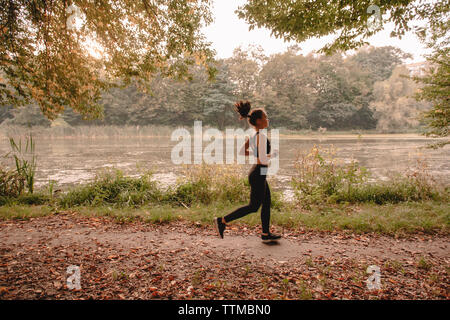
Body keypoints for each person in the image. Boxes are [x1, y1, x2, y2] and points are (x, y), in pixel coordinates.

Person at [214, 101, 281, 243]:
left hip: (259, 172)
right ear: (258, 120)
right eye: (265, 117)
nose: (267, 119)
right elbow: (262, 159)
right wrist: (273, 154)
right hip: (258, 173)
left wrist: (257, 156)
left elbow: (242, 151)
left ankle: (265, 233)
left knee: (266, 202)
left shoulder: (255, 136)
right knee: (254, 206)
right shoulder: (260, 137)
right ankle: (222, 220)